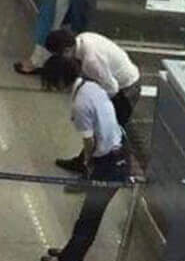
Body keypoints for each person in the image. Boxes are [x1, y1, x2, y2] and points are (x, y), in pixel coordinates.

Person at [38, 54, 128, 261]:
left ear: (60, 81)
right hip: (119, 148)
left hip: (111, 165)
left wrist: (88, 164)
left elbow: (89, 143)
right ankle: (68, 253)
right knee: (87, 216)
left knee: (88, 218)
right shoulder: (91, 87)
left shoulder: (80, 105)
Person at [45, 29, 141, 174]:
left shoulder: (91, 61)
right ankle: (83, 163)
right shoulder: (82, 39)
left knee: (106, 135)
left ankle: (96, 172)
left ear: (66, 51)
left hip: (126, 89)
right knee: (100, 133)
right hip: (120, 80)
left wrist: (95, 105)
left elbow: (112, 88)